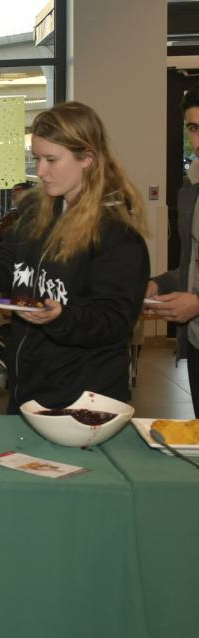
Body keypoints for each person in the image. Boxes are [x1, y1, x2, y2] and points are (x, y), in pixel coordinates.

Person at [0, 101, 150, 411]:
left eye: (51, 160)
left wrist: (61, 317)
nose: (40, 171)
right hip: (29, 389)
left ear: (87, 158)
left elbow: (114, 320)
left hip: (85, 399)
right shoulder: (37, 213)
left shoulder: (116, 234)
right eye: (37, 159)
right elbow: (5, 262)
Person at [146, 87, 199, 417]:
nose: (198, 141)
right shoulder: (191, 192)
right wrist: (157, 286)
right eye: (194, 128)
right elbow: (190, 268)